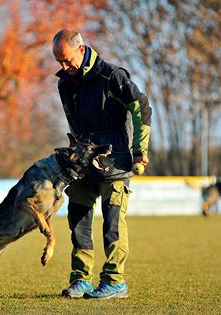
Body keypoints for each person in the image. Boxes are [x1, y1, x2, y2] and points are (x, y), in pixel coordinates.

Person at [52, 30, 152, 299]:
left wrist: (139, 151)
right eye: (59, 62)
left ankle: (114, 281)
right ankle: (81, 278)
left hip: (115, 163)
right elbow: (74, 123)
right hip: (82, 165)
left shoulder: (112, 75)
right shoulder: (64, 83)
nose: (63, 67)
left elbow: (140, 106)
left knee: (112, 224)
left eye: (67, 60)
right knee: (78, 222)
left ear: (81, 49)